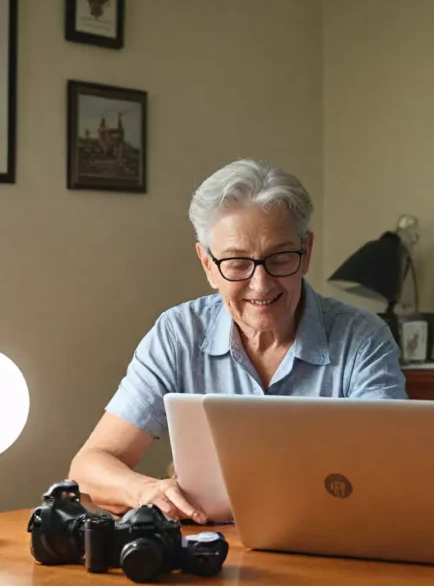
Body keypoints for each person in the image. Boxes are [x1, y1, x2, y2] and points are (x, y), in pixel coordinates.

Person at [70, 159, 406, 523]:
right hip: (210, 557)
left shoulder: (363, 339)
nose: (260, 284)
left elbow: (392, 473)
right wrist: (145, 491)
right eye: (236, 263)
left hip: (331, 545)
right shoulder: (177, 334)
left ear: (306, 252)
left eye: (279, 258)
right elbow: (89, 466)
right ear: (208, 265)